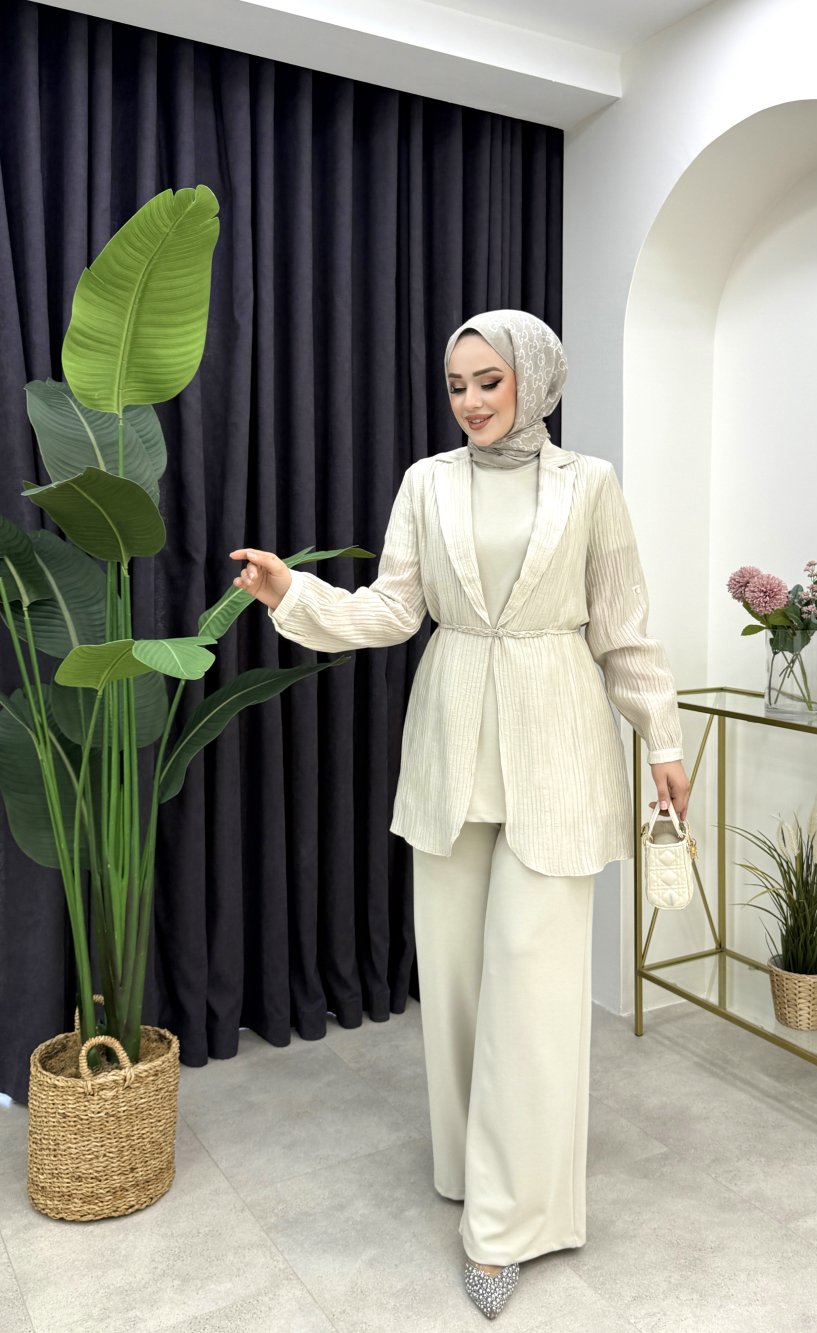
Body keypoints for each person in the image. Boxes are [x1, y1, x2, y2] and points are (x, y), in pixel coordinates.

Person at [229, 309, 690, 1320]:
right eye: (456, 385)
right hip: (449, 746)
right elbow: (393, 609)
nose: (471, 401)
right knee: (457, 979)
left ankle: (506, 1225)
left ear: (535, 378)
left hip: (557, 742)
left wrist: (661, 736)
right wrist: (291, 594)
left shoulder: (591, 484)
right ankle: (469, 1167)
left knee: (534, 983)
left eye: (489, 380)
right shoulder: (426, 483)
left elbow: (623, 626)